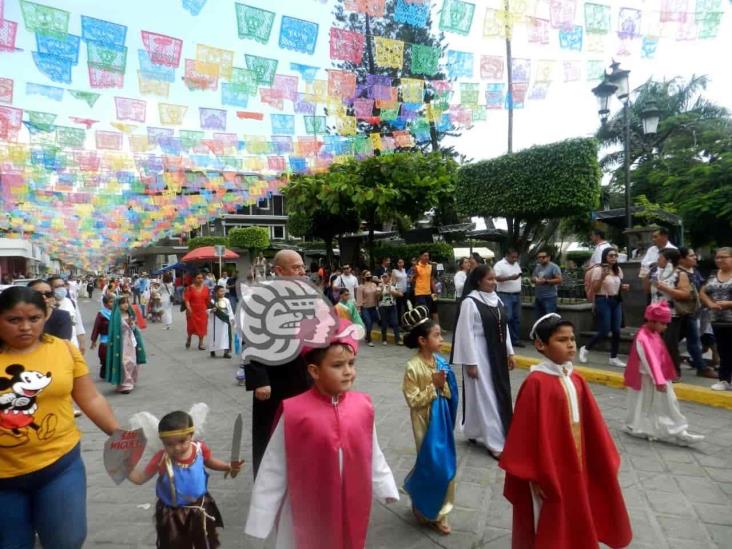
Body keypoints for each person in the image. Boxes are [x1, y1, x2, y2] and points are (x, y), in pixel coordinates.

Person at [244, 320, 399, 548]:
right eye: (337, 366)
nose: (348, 372)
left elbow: (372, 451)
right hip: (307, 503)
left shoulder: (362, 406)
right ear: (314, 371)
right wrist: (261, 514)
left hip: (349, 497)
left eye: (351, 363)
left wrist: (384, 485)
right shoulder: (295, 412)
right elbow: (273, 466)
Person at [0, 286, 120, 548]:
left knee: (67, 540)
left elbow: (90, 398)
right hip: (3, 478)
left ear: (45, 317)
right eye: (14, 320)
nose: (25, 327)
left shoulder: (63, 349)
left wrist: (118, 433)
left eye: (33, 319)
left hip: (59, 466)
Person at [500, 313, 632, 548]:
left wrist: (601, 459)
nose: (571, 344)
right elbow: (525, 434)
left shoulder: (577, 379)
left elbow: (593, 427)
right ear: (541, 345)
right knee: (549, 517)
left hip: (577, 465)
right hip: (549, 469)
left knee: (578, 509)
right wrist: (534, 474)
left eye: (572, 338)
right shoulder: (536, 383)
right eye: (562, 340)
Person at [128, 407, 243, 549]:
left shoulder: (200, 449)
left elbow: (210, 461)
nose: (176, 448)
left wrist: (227, 466)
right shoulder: (161, 458)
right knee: (176, 545)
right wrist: (125, 468)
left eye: (182, 441)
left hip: (200, 506)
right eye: (169, 444)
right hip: (172, 513)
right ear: (162, 441)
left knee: (204, 541)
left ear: (191, 435)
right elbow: (141, 478)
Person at [244, 249, 312, 477]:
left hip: (304, 374)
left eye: (302, 266)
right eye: (296, 267)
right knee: (271, 431)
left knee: (304, 428)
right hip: (274, 380)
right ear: (278, 271)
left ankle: (302, 474)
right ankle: (267, 479)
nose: (302, 271)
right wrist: (259, 379)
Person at [402, 310, 458, 535]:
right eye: (437, 335)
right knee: (430, 463)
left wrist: (442, 385)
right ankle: (423, 503)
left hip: (441, 418)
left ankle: (440, 512)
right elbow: (413, 400)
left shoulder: (441, 362)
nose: (442, 339)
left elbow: (450, 392)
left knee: (445, 465)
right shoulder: (412, 367)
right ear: (423, 341)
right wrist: (432, 387)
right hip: (424, 420)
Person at [451, 264, 515, 459]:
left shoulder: (497, 300)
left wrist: (509, 352)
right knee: (486, 397)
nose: (494, 282)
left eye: (495, 279)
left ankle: (473, 430)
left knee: (496, 395)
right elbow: (465, 334)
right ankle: (495, 442)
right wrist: (470, 362)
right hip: (478, 354)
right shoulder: (470, 302)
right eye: (490, 279)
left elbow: (504, 328)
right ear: (479, 281)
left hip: (496, 354)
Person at [624, 302, 705, 445]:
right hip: (649, 377)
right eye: (663, 323)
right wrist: (659, 380)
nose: (666, 327)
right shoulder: (644, 337)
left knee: (666, 402)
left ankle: (678, 430)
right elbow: (650, 360)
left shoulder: (653, 333)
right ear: (652, 321)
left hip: (656, 377)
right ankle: (640, 427)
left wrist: (659, 378)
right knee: (645, 403)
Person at [579, 247, 629, 368]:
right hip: (603, 300)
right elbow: (595, 289)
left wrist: (624, 288)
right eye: (610, 255)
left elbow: (618, 285)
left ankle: (614, 357)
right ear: (605, 257)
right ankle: (585, 348)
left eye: (615, 255)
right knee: (605, 330)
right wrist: (602, 276)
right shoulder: (598, 270)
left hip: (615, 300)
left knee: (616, 330)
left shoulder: (618, 270)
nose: (613, 258)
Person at [651, 248, 694, 377]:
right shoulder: (657, 272)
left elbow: (685, 294)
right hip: (655, 314)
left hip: (672, 314)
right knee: (656, 343)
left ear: (668, 260)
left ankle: (674, 371)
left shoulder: (680, 274)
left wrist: (664, 287)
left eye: (660, 258)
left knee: (670, 343)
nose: (658, 261)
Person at [678, 248, 716, 378]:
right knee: (692, 340)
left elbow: (702, 287)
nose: (695, 257)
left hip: (695, 311)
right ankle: (701, 367)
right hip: (683, 311)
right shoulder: (678, 273)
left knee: (691, 339)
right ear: (682, 259)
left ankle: (700, 366)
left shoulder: (694, 271)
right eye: (691, 255)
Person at [700, 247, 732, 391]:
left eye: (724, 257)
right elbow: (703, 291)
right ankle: (724, 379)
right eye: (717, 257)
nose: (719, 260)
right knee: (723, 350)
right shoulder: (714, 274)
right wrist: (710, 303)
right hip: (717, 320)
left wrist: (729, 304)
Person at [104, 296, 146, 394]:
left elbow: (134, 328)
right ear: (118, 305)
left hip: (131, 341)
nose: (126, 305)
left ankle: (130, 381)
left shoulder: (130, 314)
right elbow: (114, 331)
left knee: (133, 361)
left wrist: (132, 324)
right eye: (123, 303)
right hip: (121, 343)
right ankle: (124, 385)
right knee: (124, 362)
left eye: (127, 302)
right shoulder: (115, 317)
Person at [494, 249, 523, 347]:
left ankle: (515, 340)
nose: (515, 259)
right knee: (507, 317)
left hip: (516, 294)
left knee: (516, 318)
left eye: (516, 257)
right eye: (513, 257)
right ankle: (506, 340)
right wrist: (510, 278)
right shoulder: (499, 265)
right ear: (507, 255)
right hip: (505, 294)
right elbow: (496, 278)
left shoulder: (516, 264)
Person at [49, 275, 86, 351]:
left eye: (63, 285)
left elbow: (78, 324)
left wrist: (82, 344)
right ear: (50, 289)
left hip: (72, 347)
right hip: (53, 349)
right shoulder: (46, 305)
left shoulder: (71, 302)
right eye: (57, 286)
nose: (61, 288)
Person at [531, 249, 562, 318]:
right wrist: (535, 280)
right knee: (539, 319)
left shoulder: (554, 267)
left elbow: (559, 280)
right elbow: (532, 278)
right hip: (538, 297)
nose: (541, 259)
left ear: (549, 257)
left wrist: (546, 281)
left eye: (543, 257)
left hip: (549, 297)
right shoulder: (538, 267)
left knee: (549, 318)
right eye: (539, 257)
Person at [90, 295, 114, 378]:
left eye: (114, 301)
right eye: (111, 302)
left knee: (114, 357)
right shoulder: (101, 314)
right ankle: (104, 370)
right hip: (105, 339)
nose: (113, 303)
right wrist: (93, 341)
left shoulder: (117, 313)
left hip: (116, 338)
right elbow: (96, 328)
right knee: (104, 357)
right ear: (105, 304)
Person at [184, 271, 209, 350]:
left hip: (202, 311)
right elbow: (187, 300)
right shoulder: (189, 288)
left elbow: (208, 300)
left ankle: (201, 343)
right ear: (194, 279)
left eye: (202, 278)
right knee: (191, 327)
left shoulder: (206, 288)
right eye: (198, 278)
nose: (200, 279)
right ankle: (189, 337)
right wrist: (188, 307)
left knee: (202, 327)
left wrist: (208, 310)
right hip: (192, 311)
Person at [207, 285, 234, 359]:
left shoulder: (227, 300)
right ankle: (213, 350)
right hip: (215, 322)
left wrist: (231, 319)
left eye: (223, 291)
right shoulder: (212, 301)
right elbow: (206, 310)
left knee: (226, 337)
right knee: (214, 337)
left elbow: (230, 310)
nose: (223, 292)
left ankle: (226, 352)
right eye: (221, 291)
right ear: (216, 292)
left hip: (225, 321)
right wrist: (211, 310)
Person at [412, 250, 438, 321]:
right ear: (420, 257)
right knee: (424, 311)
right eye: (425, 255)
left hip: (429, 293)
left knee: (431, 310)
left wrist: (435, 291)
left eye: (428, 256)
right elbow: (413, 280)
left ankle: (432, 327)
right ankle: (424, 328)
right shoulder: (416, 267)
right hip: (420, 293)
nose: (427, 257)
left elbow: (431, 280)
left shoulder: (430, 267)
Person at [356, 271, 379, 347]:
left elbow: (377, 296)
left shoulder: (374, 285)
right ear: (363, 277)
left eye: (370, 274)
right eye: (367, 275)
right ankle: (369, 340)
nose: (369, 276)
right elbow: (359, 299)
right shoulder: (361, 287)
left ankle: (367, 336)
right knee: (368, 323)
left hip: (373, 307)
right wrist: (359, 309)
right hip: (365, 308)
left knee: (371, 323)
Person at [378, 273, 401, 345]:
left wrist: (392, 291)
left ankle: (397, 340)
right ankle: (384, 339)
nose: (384, 278)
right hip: (383, 306)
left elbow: (400, 294)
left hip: (392, 306)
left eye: (386, 276)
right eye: (383, 277)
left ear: (389, 277)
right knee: (384, 324)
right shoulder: (380, 285)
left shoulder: (394, 285)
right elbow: (378, 297)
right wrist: (381, 289)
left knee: (395, 323)